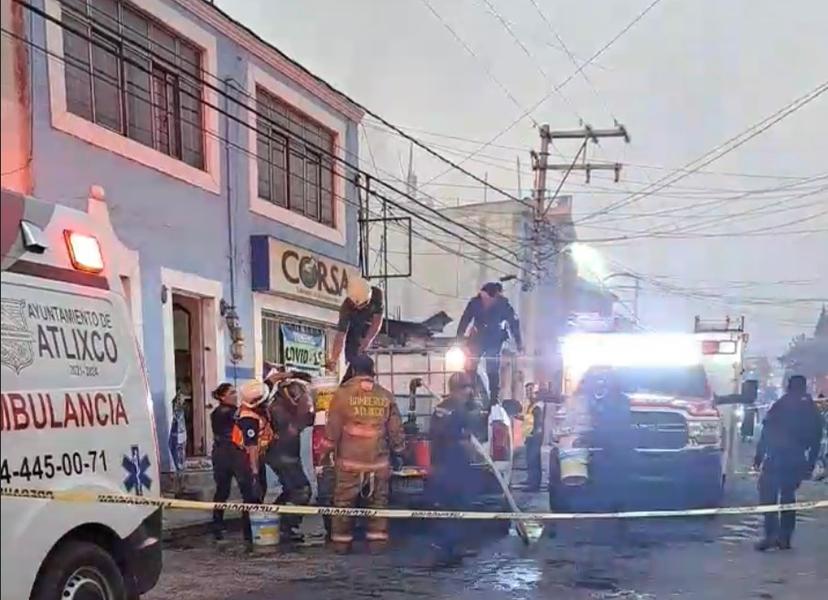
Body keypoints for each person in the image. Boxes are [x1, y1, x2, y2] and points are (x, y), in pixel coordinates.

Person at [322, 355, 405, 552]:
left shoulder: (342, 395)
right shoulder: (385, 395)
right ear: (372, 371)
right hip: (378, 466)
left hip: (349, 465)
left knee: (343, 509)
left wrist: (324, 455)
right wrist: (400, 451)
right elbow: (396, 431)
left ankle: (341, 549)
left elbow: (332, 430)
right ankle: (377, 550)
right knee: (378, 510)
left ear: (352, 371)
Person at [753, 375, 824, 551]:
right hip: (797, 457)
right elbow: (817, 438)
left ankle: (771, 535)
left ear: (788, 386)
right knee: (788, 496)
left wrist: (759, 456)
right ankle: (784, 537)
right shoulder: (811, 408)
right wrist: (810, 462)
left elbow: (766, 432)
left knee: (768, 494)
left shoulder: (780, 405)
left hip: (777, 456)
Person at [427, 372, 481, 563]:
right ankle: (452, 547)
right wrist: (474, 455)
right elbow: (464, 439)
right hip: (456, 465)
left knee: (445, 505)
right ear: (459, 389)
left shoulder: (441, 408)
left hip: (440, 463)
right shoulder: (460, 410)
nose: (470, 392)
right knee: (459, 505)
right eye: (467, 387)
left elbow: (433, 434)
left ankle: (444, 544)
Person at [262, 371, 314, 542]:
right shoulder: (279, 410)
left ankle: (272, 521)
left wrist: (292, 374)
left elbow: (307, 419)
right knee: (302, 491)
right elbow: (297, 426)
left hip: (286, 456)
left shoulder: (284, 406)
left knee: (291, 490)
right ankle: (283, 526)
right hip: (282, 456)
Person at [457, 282, 523, 405]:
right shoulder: (475, 303)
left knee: (492, 366)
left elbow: (514, 324)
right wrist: (459, 338)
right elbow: (465, 319)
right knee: (471, 364)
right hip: (477, 337)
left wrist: (519, 343)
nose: (485, 300)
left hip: (494, 338)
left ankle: (494, 398)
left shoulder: (503, 305)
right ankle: (470, 394)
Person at [209, 383, 257, 543]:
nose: (235, 395)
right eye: (232, 393)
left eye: (235, 392)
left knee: (222, 491)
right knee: (247, 491)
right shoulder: (230, 413)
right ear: (223, 397)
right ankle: (248, 529)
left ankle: (217, 526)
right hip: (233, 454)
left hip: (220, 454)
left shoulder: (216, 412)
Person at [327, 276, 384, 382]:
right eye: (358, 306)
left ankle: (366, 378)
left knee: (365, 360)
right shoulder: (346, 308)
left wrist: (367, 340)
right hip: (354, 329)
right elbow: (340, 335)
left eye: (364, 304)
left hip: (367, 326)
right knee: (353, 355)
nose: (360, 308)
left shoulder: (377, 295)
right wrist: (333, 360)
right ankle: (349, 381)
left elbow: (377, 322)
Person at [231, 380, 275, 502]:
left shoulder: (254, 412)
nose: (267, 402)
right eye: (265, 400)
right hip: (247, 462)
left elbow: (271, 380)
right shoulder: (249, 419)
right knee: (253, 497)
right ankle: (249, 521)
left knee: (258, 494)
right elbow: (252, 447)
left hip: (253, 459)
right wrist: (255, 474)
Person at [523, 383, 544, 491]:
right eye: (527, 391)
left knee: (534, 461)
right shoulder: (530, 405)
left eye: (531, 391)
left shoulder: (537, 406)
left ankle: (534, 485)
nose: (529, 393)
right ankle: (531, 480)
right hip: (529, 436)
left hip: (534, 437)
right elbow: (529, 419)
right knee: (530, 460)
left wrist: (536, 437)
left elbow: (538, 423)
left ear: (536, 392)